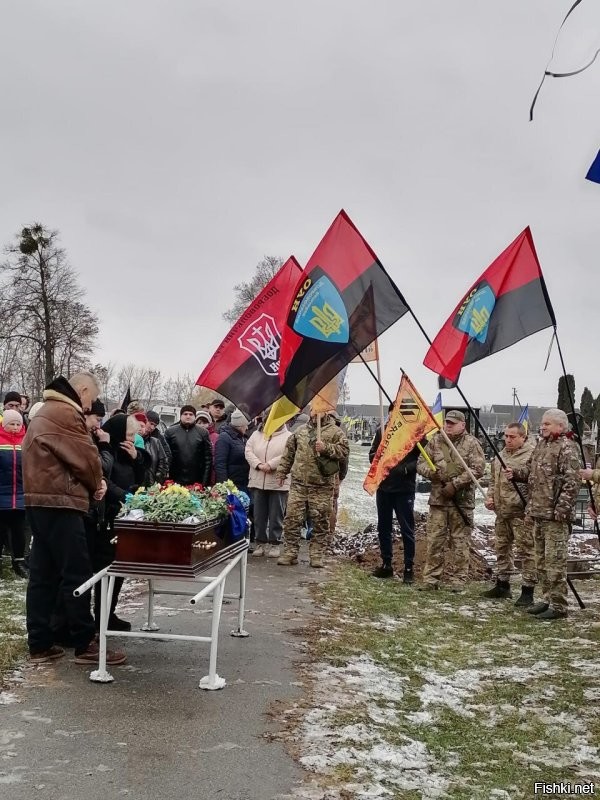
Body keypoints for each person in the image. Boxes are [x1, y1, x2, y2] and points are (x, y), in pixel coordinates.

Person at [23, 372, 125, 665]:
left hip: (39, 501)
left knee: (42, 575)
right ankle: (84, 642)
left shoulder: (46, 411)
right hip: (61, 503)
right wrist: (98, 484)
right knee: (77, 572)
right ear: (81, 391)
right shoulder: (67, 413)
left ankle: (40, 643)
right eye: (90, 399)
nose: (89, 406)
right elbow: (86, 457)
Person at [505, 408, 581, 620]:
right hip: (537, 512)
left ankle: (559, 606)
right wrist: (515, 474)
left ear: (560, 426)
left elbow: (572, 483)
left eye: (547, 423)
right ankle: (546, 599)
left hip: (555, 517)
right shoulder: (541, 446)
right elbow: (530, 471)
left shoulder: (567, 448)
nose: (543, 426)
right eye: (543, 423)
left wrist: (561, 510)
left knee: (555, 563)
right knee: (541, 562)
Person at [416, 410, 486, 592]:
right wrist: (432, 473)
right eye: (447, 422)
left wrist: (455, 484)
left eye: (453, 423)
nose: (448, 425)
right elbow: (420, 464)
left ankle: (458, 579)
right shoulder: (436, 441)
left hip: (461, 501)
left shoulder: (472, 444)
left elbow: (478, 469)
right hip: (438, 501)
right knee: (434, 541)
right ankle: (431, 579)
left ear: (463, 425)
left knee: (460, 542)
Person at [276, 408, 349, 569]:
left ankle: (317, 554)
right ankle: (290, 552)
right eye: (313, 410)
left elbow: (344, 453)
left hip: (322, 485)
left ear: (327, 412)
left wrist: (326, 448)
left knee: (321, 521)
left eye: (319, 410)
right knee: (292, 519)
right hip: (299, 484)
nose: (315, 413)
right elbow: (289, 454)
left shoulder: (336, 432)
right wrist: (282, 472)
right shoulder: (300, 431)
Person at [482, 422, 536, 605]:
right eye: (506, 436)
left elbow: (535, 483)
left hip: (521, 512)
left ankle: (528, 590)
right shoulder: (500, 455)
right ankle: (502, 584)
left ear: (523, 437)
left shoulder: (531, 455)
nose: (508, 440)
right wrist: (490, 498)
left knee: (526, 551)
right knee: (502, 548)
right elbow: (492, 480)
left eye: (512, 437)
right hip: (502, 511)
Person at [368, 403, 419, 583]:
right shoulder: (382, 432)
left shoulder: (413, 434)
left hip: (404, 489)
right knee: (384, 527)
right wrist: (378, 460)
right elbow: (372, 453)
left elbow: (423, 458)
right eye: (390, 415)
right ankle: (386, 564)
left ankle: (408, 568)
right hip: (384, 487)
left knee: (407, 529)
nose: (392, 419)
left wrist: (405, 469)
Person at [245, 418, 291, 558]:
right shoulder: (256, 435)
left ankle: (275, 543)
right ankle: (260, 543)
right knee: (259, 514)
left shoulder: (288, 436)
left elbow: (287, 454)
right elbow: (248, 451)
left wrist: (270, 464)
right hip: (258, 479)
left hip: (277, 482)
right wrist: (258, 465)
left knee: (276, 514)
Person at [0, 410, 28, 578]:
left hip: (19, 496)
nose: (15, 427)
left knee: (19, 531)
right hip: (2, 496)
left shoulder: (26, 442)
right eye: (12, 424)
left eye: (18, 424)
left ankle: (19, 561)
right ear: (4, 425)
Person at [166, 405, 212, 487]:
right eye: (185, 414)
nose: (188, 416)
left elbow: (208, 459)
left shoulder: (203, 433)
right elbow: (166, 457)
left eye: (191, 414)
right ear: (181, 416)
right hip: (175, 480)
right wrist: (167, 480)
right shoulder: (170, 432)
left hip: (197, 481)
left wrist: (204, 483)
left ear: (195, 417)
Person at [214, 409, 250, 492]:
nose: (247, 428)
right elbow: (220, 464)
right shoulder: (224, 437)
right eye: (246, 425)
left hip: (244, 483)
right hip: (232, 485)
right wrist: (225, 487)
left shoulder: (243, 438)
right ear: (240, 425)